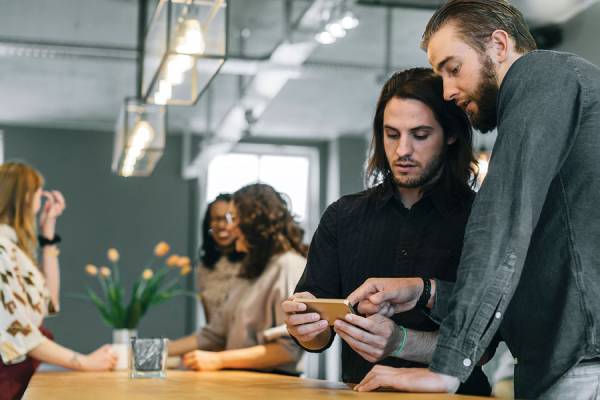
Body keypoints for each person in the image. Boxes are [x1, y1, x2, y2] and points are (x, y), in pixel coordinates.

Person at [347, 1, 600, 398]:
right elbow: (527, 283)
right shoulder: (557, 94)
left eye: (453, 68)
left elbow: (500, 222)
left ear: (499, 45)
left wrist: (446, 369)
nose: (447, 92)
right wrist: (426, 291)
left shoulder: (542, 76)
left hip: (584, 365)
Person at [282, 68, 491, 395]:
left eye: (420, 135)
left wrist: (400, 342)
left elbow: (484, 346)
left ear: (450, 134)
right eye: (391, 134)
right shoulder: (343, 216)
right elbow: (318, 334)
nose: (402, 150)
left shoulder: (483, 218)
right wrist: (306, 328)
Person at [0, 162, 116, 399]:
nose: (40, 200)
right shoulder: (2, 249)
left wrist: (48, 235)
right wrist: (84, 362)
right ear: (22, 197)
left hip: (17, 377)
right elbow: (21, 332)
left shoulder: (11, 248)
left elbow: (48, 302)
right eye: (37, 192)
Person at [169, 183, 307, 375]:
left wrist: (219, 359)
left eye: (233, 218)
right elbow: (215, 333)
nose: (229, 227)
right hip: (240, 380)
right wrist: (160, 351)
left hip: (274, 384)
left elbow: (288, 350)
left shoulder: (288, 266)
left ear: (255, 223)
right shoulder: (249, 268)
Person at [196, 193, 244, 324]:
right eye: (216, 219)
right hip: (215, 342)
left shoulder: (252, 265)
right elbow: (209, 323)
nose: (223, 225)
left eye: (229, 219)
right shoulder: (203, 269)